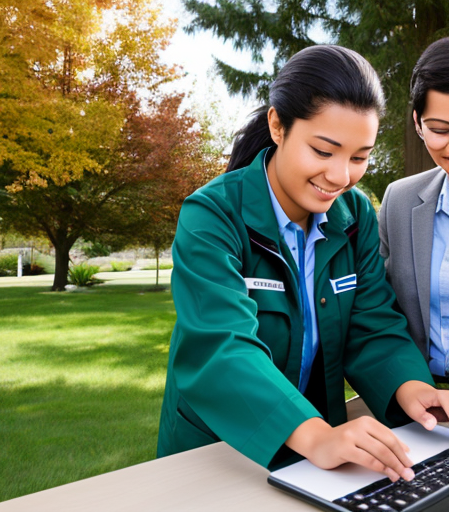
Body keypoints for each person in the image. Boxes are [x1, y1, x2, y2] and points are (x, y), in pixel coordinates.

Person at [158, 44, 449, 483]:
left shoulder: (354, 216)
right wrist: (315, 435)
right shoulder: (211, 215)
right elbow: (223, 348)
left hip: (318, 455)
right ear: (278, 125)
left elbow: (373, 326)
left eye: (358, 157)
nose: (340, 176)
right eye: (323, 151)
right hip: (219, 453)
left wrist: (414, 390)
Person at [379, 38, 449, 385]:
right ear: (418, 123)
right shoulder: (399, 201)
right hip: (423, 403)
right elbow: (376, 313)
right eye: (441, 130)